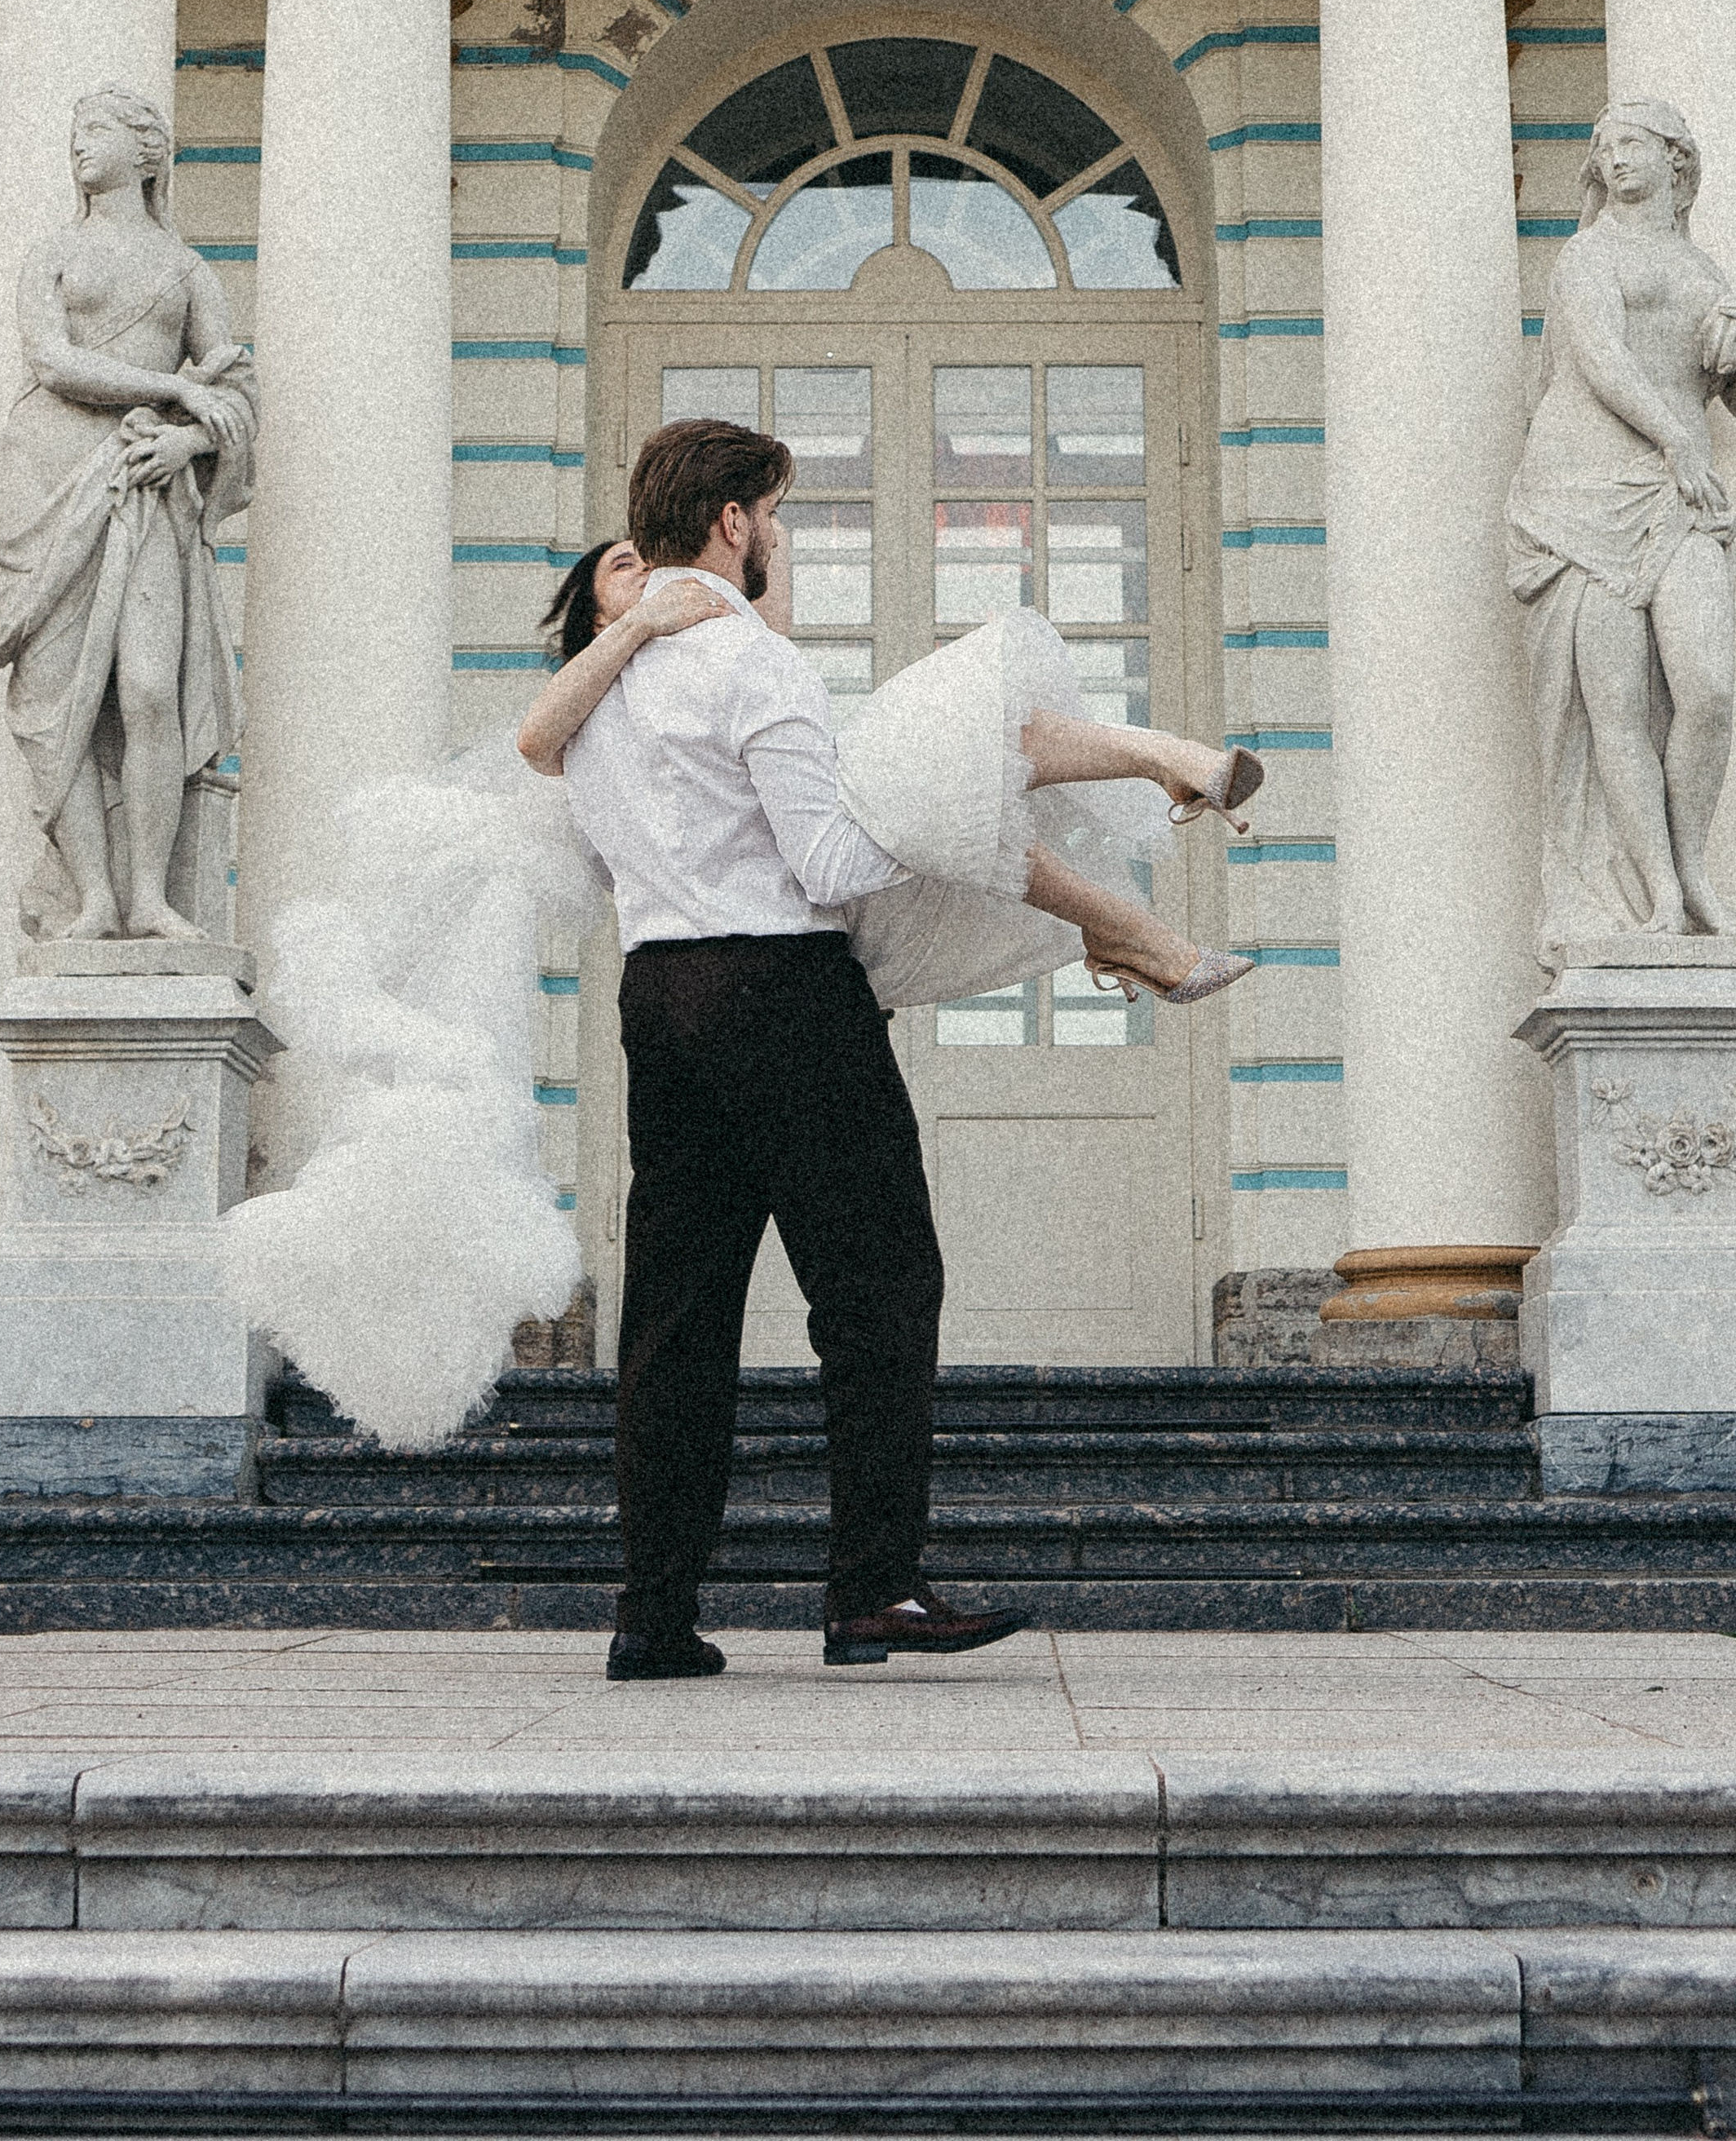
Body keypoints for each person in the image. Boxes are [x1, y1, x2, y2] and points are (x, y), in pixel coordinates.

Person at [537, 418, 1252, 1688]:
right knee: (876, 1291)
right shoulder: (755, 670)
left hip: (661, 995)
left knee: (675, 1318)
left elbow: (594, 843)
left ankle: (654, 1616)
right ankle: (873, 1588)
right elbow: (828, 867)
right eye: (779, 515)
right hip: (784, 994)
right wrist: (941, 834)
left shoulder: (602, 688)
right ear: (732, 523)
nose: (782, 539)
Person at [522, 528, 1261, 1007]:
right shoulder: (598, 704)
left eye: (656, 558)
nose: (653, 573)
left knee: (968, 749)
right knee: (956, 776)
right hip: (787, 915)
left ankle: (1158, 781)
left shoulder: (726, 651)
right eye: (627, 568)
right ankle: (1154, 798)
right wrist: (645, 622)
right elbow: (535, 742)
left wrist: (753, 533)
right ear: (594, 617)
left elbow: (770, 622)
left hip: (821, 892)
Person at [0, 84, 257, 943]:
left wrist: (187, 447)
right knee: (69, 706)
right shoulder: (52, 253)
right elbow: (53, 362)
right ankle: (94, 897)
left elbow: (235, 386)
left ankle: (150, 898)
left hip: (145, 484)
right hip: (47, 480)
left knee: (148, 690)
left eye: (95, 130)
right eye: (74, 131)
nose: (78, 146)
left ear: (148, 153)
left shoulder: (184, 268)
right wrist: (175, 391)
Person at [1505, 95, 1736, 966]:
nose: (1614, 159)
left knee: (1707, 691)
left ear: (1675, 160)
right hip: (1582, 491)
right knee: (1612, 708)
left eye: (1631, 144)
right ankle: (1660, 893)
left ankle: (1693, 868)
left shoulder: (1703, 268)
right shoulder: (1588, 255)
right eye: (1604, 148)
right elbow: (1599, 358)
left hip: (1678, 495)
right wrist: (1672, 440)